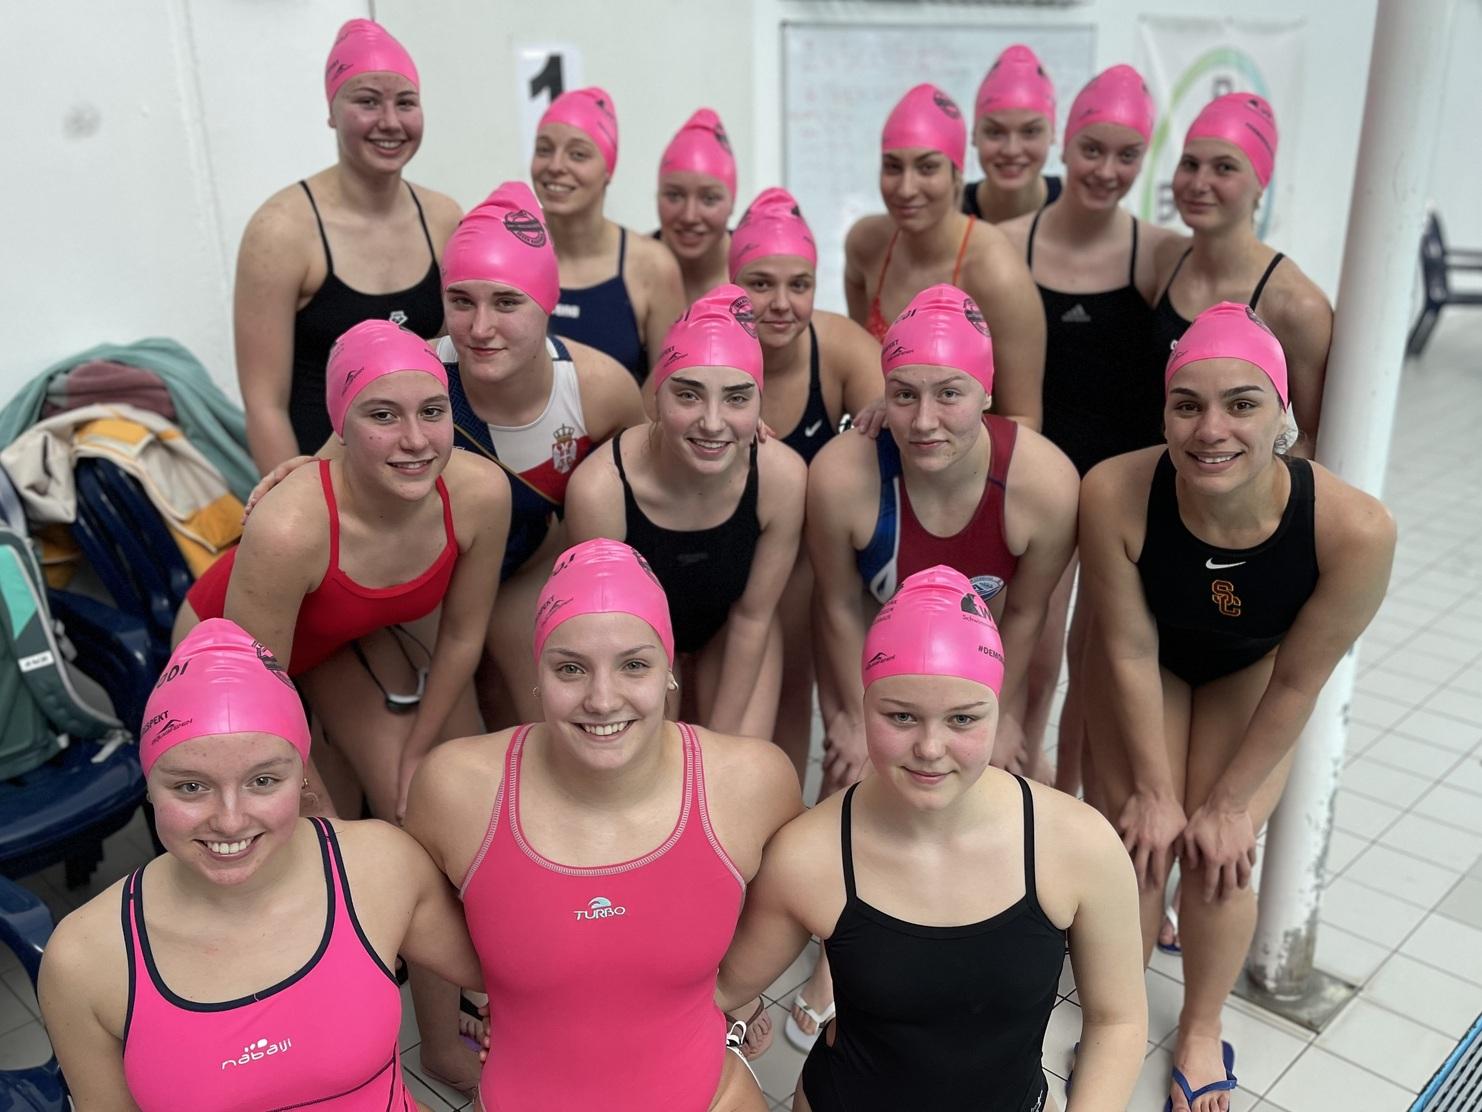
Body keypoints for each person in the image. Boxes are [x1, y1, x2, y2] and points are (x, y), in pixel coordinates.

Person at [1079, 303, 1394, 1112]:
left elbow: (1299, 680)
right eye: (1187, 404)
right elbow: (1126, 649)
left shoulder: (1353, 530)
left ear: (1282, 414)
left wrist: (1227, 805)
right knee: (1136, 837)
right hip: (1146, 658)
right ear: (1164, 413)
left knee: (1221, 851)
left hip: (1253, 670)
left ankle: (1200, 1024)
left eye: (1241, 403)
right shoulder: (1115, 490)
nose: (1210, 429)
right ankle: (1117, 1014)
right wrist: (1153, 791)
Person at [717, 566, 1147, 1111]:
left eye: (963, 721)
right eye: (901, 716)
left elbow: (1119, 1019)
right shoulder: (811, 853)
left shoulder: (1078, 846)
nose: (930, 747)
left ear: (998, 710)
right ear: (863, 707)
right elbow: (717, 990)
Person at [404, 538, 802, 1111]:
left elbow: (791, 899)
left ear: (670, 668)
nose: (602, 698)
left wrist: (739, 994)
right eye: (571, 668)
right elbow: (421, 927)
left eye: (634, 665)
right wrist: (461, 1031)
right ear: (537, 672)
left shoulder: (749, 782)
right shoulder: (457, 789)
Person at [38, 620, 484, 1112]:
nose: (230, 821)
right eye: (191, 787)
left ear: (303, 778)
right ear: (148, 786)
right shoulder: (85, 959)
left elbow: (528, 980)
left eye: (264, 781)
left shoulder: (377, 867)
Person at [797, 284, 1078, 1047]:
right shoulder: (844, 475)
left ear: (987, 389)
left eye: (949, 393)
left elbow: (1026, 614)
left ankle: (980, 938)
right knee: (855, 776)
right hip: (888, 669)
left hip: (990, 666)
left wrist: (1010, 717)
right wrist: (852, 718)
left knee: (1011, 779)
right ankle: (843, 953)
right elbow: (837, 606)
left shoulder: (1044, 485)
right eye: (905, 394)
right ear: (882, 393)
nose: (924, 421)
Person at [179, 320, 511, 824]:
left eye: (432, 411)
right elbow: (260, 695)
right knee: (321, 832)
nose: (416, 441)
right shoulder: (289, 529)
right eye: (383, 415)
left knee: (434, 802)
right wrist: (313, 801)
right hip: (237, 663)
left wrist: (417, 749)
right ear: (341, 427)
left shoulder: (480, 494)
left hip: (339, 636)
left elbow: (464, 636)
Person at [996, 64, 1178, 789]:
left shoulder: (1156, 253)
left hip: (1116, 487)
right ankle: (1018, 784)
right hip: (1032, 480)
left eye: (1127, 154)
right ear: (1064, 147)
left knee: (1096, 655)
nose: (1107, 170)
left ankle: (1064, 795)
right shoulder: (1008, 244)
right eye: (1092, 149)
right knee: (1032, 653)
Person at [565, 284, 806, 739]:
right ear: (656, 398)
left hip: (733, 628)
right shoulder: (602, 489)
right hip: (634, 640)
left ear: (759, 404)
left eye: (737, 398)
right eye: (689, 396)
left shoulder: (782, 477)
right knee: (650, 759)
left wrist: (721, 748)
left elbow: (752, 617)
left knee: (733, 761)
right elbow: (613, 634)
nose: (713, 423)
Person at [236, 18, 461, 469]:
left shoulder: (443, 218)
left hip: (418, 476)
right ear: (332, 111)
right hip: (323, 483)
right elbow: (264, 405)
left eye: (406, 103)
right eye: (367, 102)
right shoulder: (281, 230)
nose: (390, 122)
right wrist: (298, 506)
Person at [728, 187, 882, 776]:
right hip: (733, 555)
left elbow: (899, 422)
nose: (781, 303)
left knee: (813, 696)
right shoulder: (701, 349)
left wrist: (880, 414)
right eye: (760, 283)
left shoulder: (839, 345)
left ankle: (803, 818)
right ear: (730, 281)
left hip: (812, 563)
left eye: (799, 284)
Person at [844, 83, 1045, 428]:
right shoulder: (867, 244)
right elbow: (865, 376)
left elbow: (1023, 419)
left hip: (969, 465)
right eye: (893, 167)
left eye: (926, 168)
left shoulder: (995, 270)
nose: (906, 189)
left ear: (956, 175)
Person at [1151, 92, 1331, 458]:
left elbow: (1313, 440)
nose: (1199, 183)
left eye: (1224, 168)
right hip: (1147, 487)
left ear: (1260, 184)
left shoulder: (1295, 304)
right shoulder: (1165, 259)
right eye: (1189, 164)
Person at [534, 87, 687, 383]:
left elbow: (671, 389)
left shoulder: (652, 266)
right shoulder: (510, 250)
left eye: (578, 154)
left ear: (608, 169)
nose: (555, 166)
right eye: (544, 149)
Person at [963, 44, 1062, 224]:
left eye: (1030, 132)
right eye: (995, 132)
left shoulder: (1077, 209)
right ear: (974, 135)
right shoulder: (948, 212)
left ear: (1053, 134)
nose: (1011, 150)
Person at [658, 108, 738, 303]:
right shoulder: (631, 269)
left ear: (732, 202)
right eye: (674, 196)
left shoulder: (757, 275)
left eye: (709, 199)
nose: (689, 216)